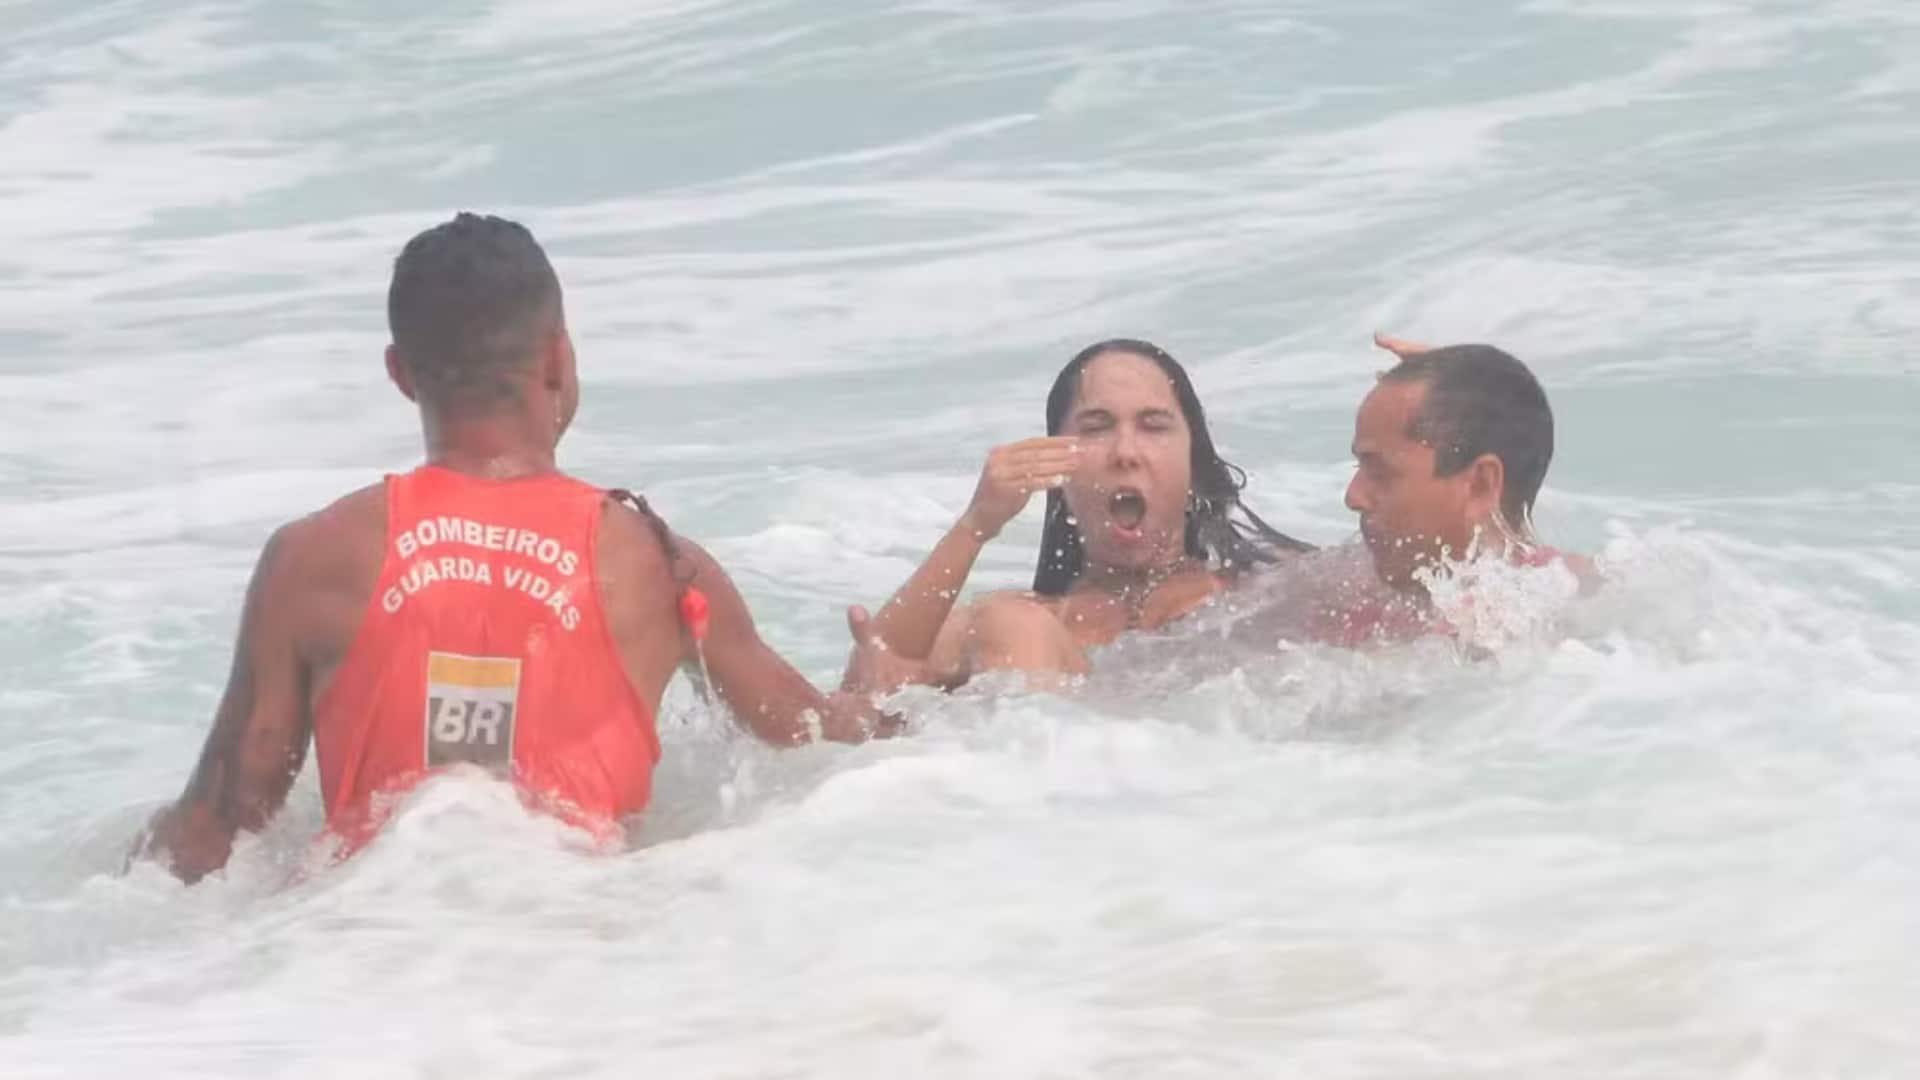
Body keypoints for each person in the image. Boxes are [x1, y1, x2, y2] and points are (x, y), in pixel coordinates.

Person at [134, 212, 897, 884]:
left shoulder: (314, 559)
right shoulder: (654, 565)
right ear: (558, 360)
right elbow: (814, 740)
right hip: (566, 947)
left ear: (400, 375)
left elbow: (218, 823)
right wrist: (893, 701)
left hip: (367, 950)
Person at [844, 338, 1311, 690]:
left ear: (1194, 463)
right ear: (1054, 468)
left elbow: (1381, 598)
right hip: (1050, 791)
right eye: (1096, 428)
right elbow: (873, 686)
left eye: (1153, 427)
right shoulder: (1013, 623)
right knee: (1012, 622)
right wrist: (976, 525)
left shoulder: (1270, 592)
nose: (1126, 452)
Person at [1328, 334, 1593, 642]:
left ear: (1480, 485)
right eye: (1360, 467)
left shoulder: (1526, 619)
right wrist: (1459, 394)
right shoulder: (1361, 584)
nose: (1353, 497)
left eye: (1381, 472)